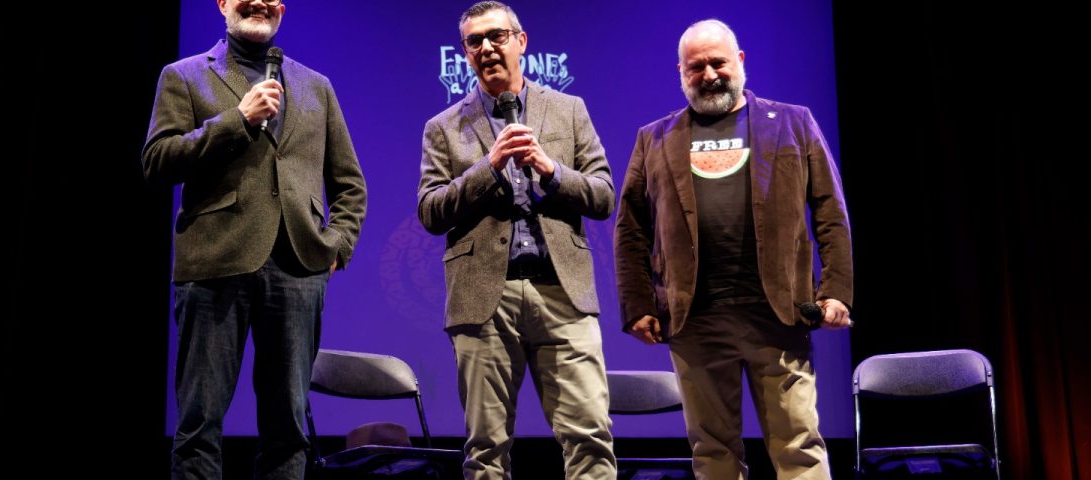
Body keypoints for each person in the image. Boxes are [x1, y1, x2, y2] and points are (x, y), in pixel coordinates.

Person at [614, 19, 853, 480]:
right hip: (695, 321)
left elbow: (830, 212)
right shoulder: (654, 138)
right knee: (713, 454)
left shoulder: (794, 122)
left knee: (799, 447)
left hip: (778, 316)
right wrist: (638, 305)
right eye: (696, 67)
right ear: (681, 72)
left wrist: (836, 291)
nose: (709, 75)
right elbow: (630, 230)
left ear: (740, 61)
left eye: (718, 63)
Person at [141, 0, 367, 477]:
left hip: (298, 269)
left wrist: (337, 246)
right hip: (213, 265)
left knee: (288, 429)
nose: (260, 2)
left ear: (281, 8)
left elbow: (350, 184)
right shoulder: (183, 75)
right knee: (199, 424)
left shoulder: (316, 85)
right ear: (222, 4)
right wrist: (237, 120)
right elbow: (158, 162)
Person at [416, 2, 617, 478]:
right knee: (486, 449)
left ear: (521, 42)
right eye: (475, 41)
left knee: (589, 438)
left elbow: (603, 195)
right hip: (484, 296)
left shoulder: (568, 109)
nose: (487, 48)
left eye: (497, 36)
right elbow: (430, 211)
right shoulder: (443, 127)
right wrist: (488, 167)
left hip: (562, 292)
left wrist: (551, 170)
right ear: (465, 53)